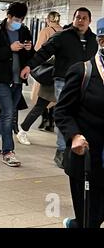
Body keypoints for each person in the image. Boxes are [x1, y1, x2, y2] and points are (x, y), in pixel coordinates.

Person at [20, 7, 97, 169]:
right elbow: (43, 52)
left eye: (84, 18)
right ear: (74, 19)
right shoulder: (63, 36)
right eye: (78, 17)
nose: (81, 20)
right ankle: (62, 150)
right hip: (64, 81)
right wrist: (29, 66)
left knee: (81, 114)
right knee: (66, 113)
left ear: (90, 21)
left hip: (85, 82)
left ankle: (75, 146)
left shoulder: (93, 40)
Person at [54, 32, 104, 228]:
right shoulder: (82, 71)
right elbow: (62, 111)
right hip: (87, 158)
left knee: (98, 215)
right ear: (101, 41)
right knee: (89, 219)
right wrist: (74, 135)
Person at [0, 2, 34, 167]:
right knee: (8, 114)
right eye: (16, 19)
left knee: (7, 111)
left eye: (21, 19)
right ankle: (8, 152)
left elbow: (29, 56)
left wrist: (29, 49)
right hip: (1, 79)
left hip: (18, 80)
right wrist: (9, 49)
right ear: (9, 16)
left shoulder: (24, 30)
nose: (18, 22)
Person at [16, 11, 62, 145]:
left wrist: (30, 65)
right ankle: (30, 128)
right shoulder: (65, 32)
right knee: (57, 106)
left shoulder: (46, 31)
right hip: (58, 75)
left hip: (50, 73)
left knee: (40, 105)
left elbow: (38, 51)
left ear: (49, 19)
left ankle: (24, 130)